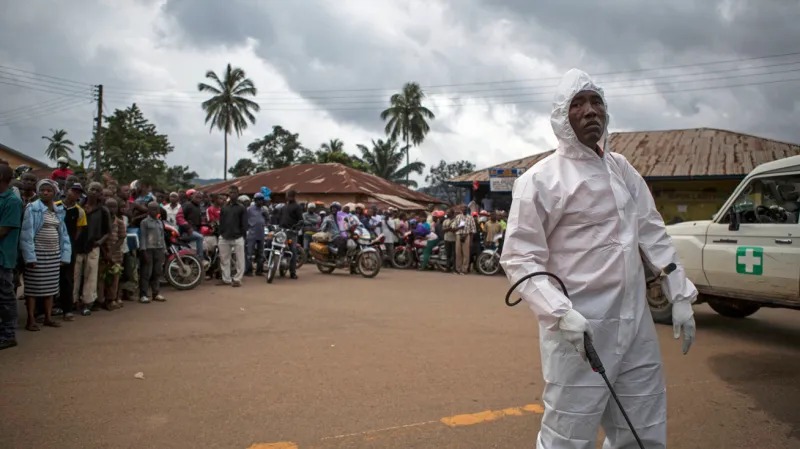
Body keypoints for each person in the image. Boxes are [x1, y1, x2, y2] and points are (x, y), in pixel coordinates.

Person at [500, 69, 697, 449]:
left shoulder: (621, 169)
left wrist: (680, 293)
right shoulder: (540, 180)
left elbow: (652, 230)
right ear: (561, 116)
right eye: (578, 104)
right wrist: (559, 313)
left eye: (596, 102)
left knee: (642, 429)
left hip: (636, 326)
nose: (590, 111)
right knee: (568, 436)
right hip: (580, 331)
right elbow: (521, 257)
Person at [20, 179, 72, 331]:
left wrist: (64, 255)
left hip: (53, 254)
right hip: (37, 254)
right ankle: (30, 319)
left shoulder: (58, 210)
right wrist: (30, 257)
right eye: (42, 190)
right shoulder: (32, 208)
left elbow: (64, 235)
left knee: (50, 288)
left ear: (54, 193)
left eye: (49, 190)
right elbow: (26, 234)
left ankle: (48, 318)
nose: (45, 192)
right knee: (32, 289)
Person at [73, 182, 110, 316]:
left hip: (93, 246)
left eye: (97, 190)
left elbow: (108, 231)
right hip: (78, 245)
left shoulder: (103, 210)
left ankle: (87, 303)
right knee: (76, 274)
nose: (93, 192)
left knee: (91, 275)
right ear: (86, 190)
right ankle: (73, 301)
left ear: (100, 193)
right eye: (91, 189)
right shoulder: (78, 206)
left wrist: (99, 242)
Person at [55, 184, 86, 321]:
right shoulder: (55, 206)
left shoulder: (80, 211)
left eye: (78, 193)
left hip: (68, 248)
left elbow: (78, 232)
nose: (75, 194)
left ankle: (67, 309)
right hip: (51, 246)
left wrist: (68, 245)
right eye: (73, 191)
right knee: (49, 277)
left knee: (67, 278)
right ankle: (44, 309)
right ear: (67, 191)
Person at [0, 164, 22, 349]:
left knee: (5, 296)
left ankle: (8, 334)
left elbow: (3, 230)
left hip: (2, 257)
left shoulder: (12, 201)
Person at [99, 198, 126, 310]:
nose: (111, 209)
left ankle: (111, 299)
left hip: (115, 254)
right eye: (109, 206)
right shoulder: (101, 222)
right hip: (102, 254)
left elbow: (121, 238)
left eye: (114, 207)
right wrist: (106, 253)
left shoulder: (119, 222)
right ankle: (101, 300)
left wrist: (111, 252)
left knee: (114, 279)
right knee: (101, 278)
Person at [139, 202, 166, 303]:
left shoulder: (159, 222)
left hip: (159, 249)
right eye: (152, 209)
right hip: (148, 250)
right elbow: (143, 238)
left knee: (157, 272)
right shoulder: (144, 222)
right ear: (148, 210)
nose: (154, 211)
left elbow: (162, 236)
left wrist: (164, 249)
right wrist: (144, 251)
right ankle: (143, 294)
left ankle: (156, 293)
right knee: (146, 273)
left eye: (156, 209)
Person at [218, 194, 247, 287]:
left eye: (234, 193)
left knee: (240, 259)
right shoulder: (224, 207)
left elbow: (244, 223)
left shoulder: (241, 208)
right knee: (224, 259)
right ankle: (226, 279)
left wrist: (242, 233)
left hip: (237, 237)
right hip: (224, 236)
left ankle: (237, 279)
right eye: (231, 192)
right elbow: (221, 220)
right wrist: (221, 232)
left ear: (237, 194)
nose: (232, 194)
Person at [280, 189, 303, 280]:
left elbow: (300, 220)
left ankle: (292, 272)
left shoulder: (297, 207)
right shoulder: (285, 207)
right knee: (278, 247)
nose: (287, 197)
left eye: (289, 196)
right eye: (287, 196)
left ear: (293, 197)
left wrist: (296, 228)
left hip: (291, 232)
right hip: (282, 231)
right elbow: (281, 218)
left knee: (292, 251)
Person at [244, 193, 267, 277]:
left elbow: (267, 219)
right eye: (258, 200)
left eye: (261, 200)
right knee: (249, 253)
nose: (260, 201)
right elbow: (245, 219)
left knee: (260, 253)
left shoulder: (264, 209)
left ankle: (259, 271)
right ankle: (248, 271)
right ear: (255, 200)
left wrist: (266, 221)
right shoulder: (249, 209)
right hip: (252, 233)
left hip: (261, 233)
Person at [176, 190, 204, 257]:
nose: (198, 199)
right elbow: (179, 217)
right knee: (200, 237)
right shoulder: (187, 205)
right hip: (185, 232)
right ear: (192, 197)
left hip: (195, 231)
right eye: (196, 197)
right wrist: (188, 227)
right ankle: (200, 258)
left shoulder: (198, 207)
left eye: (200, 198)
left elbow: (199, 221)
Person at [453, 206, 476, 275]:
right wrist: (459, 227)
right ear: (461, 210)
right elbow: (453, 227)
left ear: (467, 210)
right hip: (458, 235)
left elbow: (473, 230)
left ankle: (464, 269)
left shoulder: (470, 218)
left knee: (466, 254)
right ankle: (458, 269)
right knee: (458, 253)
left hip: (467, 235)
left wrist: (471, 240)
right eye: (463, 208)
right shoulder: (458, 217)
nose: (464, 209)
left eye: (465, 208)